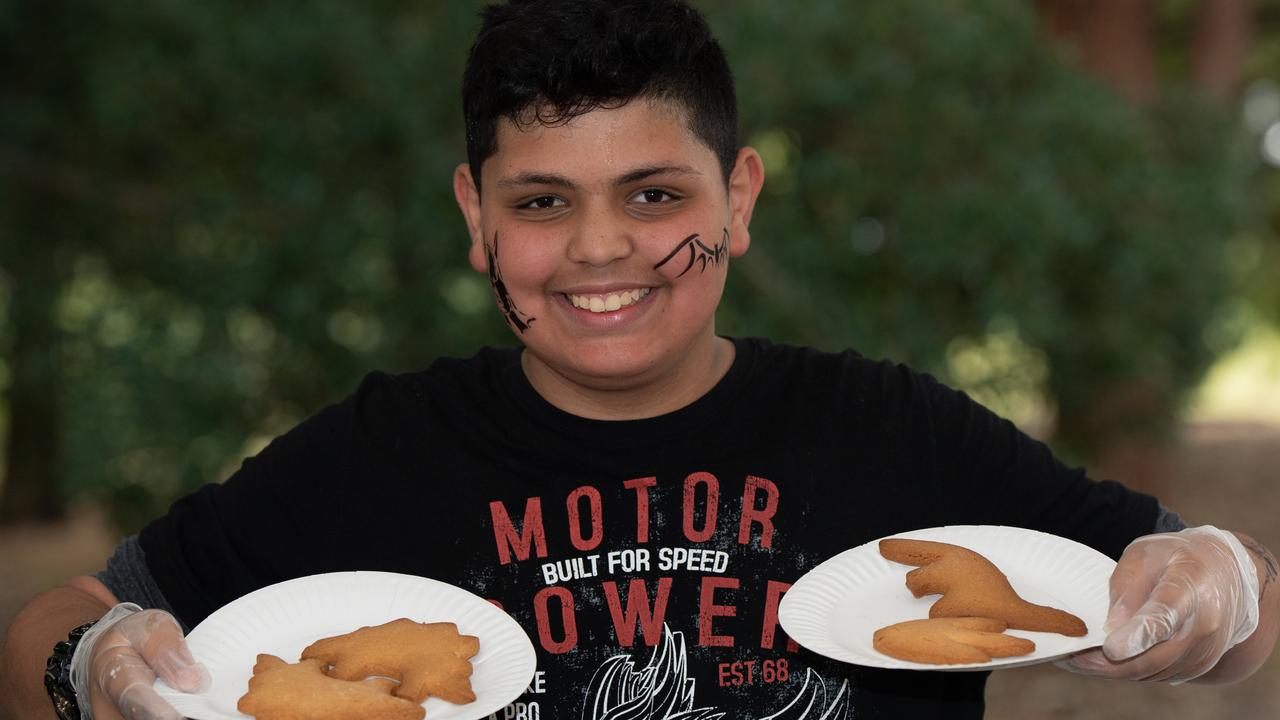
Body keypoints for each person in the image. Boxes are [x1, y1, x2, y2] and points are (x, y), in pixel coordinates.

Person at [3, 1, 1277, 718]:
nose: (598, 251)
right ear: (475, 219)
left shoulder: (887, 432)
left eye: (655, 196)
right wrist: (96, 668)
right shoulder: (381, 449)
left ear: (738, 198)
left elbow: (1227, 627)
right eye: (543, 203)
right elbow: (59, 625)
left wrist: (1216, 581)